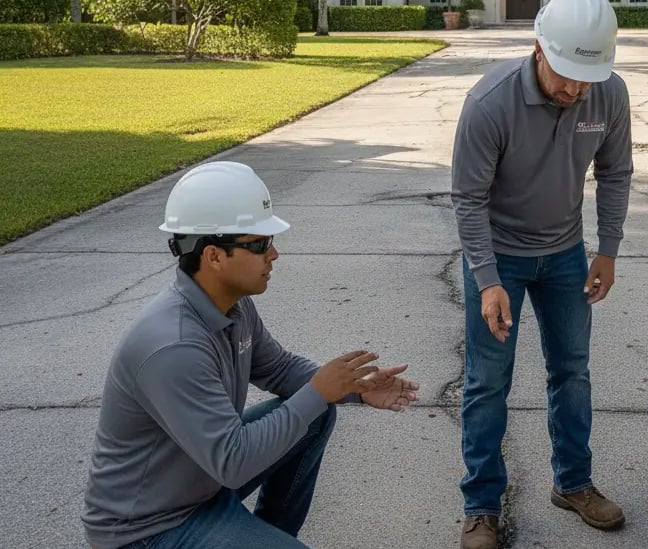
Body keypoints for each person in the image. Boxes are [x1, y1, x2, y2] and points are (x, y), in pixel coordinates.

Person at [81, 161, 418, 549]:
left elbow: (278, 368)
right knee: (312, 404)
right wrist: (319, 391)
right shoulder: (173, 346)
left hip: (199, 486)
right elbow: (234, 460)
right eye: (259, 244)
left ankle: (268, 536)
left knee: (316, 413)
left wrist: (356, 388)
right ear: (213, 257)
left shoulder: (232, 306)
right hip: (148, 528)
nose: (274, 253)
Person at [450, 0, 633, 545]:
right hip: (498, 256)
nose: (577, 91)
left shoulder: (609, 92)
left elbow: (617, 172)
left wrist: (609, 250)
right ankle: (481, 505)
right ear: (538, 50)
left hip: (566, 254)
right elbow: (467, 199)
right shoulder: (489, 101)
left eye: (588, 79)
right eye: (568, 76)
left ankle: (573, 483)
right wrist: (487, 281)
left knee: (572, 371)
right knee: (487, 383)